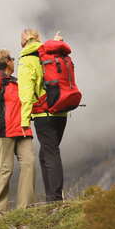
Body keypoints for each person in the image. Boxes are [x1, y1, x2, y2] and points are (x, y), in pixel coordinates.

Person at [0, 49, 36, 218]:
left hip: (23, 129)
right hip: (3, 130)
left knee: (29, 163)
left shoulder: (15, 82)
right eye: (12, 58)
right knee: (5, 169)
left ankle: (25, 209)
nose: (14, 61)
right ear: (6, 62)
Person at [18, 29, 67, 202]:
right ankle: (51, 197)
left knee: (50, 152)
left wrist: (24, 121)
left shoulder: (26, 60)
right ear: (38, 38)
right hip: (62, 110)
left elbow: (25, 94)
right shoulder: (51, 53)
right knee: (46, 153)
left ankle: (55, 199)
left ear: (23, 42)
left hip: (43, 114)